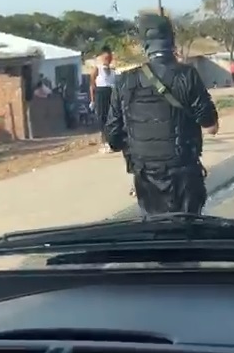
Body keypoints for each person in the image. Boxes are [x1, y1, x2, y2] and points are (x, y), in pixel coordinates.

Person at [105, 13, 219, 217]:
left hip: (146, 176)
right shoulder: (188, 75)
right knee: (188, 232)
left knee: (155, 235)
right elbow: (211, 127)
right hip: (183, 173)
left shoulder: (125, 81)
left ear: (144, 44)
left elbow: (113, 137)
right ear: (171, 40)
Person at [90, 45, 116, 153]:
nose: (107, 60)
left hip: (111, 92)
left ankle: (112, 141)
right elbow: (92, 85)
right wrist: (92, 100)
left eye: (109, 58)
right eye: (105, 58)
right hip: (101, 93)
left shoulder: (114, 70)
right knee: (102, 118)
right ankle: (104, 142)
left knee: (112, 117)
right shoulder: (97, 69)